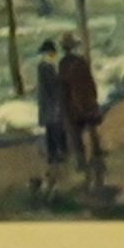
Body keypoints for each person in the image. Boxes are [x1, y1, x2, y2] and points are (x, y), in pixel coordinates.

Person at [57, 36, 107, 184]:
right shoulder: (80, 61)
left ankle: (81, 161)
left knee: (76, 134)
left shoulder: (63, 64)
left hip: (72, 104)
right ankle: (96, 155)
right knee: (91, 128)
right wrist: (93, 97)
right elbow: (89, 82)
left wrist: (63, 105)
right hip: (85, 101)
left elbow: (62, 86)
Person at [38, 37, 74, 169]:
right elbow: (53, 87)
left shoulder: (44, 66)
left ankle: (54, 155)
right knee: (55, 128)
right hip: (52, 104)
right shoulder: (47, 67)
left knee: (52, 129)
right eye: (52, 52)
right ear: (49, 52)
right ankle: (57, 155)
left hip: (48, 104)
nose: (54, 54)